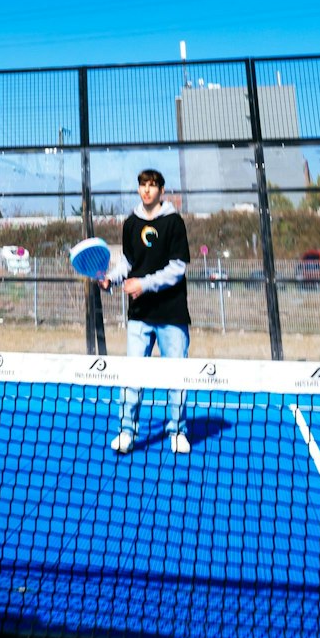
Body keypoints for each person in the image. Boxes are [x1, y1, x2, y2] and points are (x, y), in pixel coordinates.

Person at [100, 169, 193, 454]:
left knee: (176, 376)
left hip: (172, 314)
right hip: (140, 315)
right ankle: (127, 431)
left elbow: (177, 269)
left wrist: (145, 284)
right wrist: (112, 279)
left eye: (153, 186)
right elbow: (128, 262)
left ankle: (177, 430)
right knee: (132, 376)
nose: (147, 190)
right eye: (143, 185)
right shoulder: (130, 223)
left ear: (162, 190)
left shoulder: (174, 222)